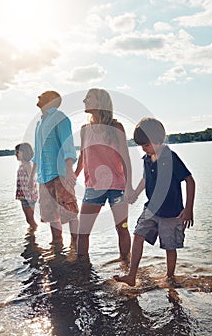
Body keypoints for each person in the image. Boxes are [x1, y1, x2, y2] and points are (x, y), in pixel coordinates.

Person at [114, 117, 195, 286]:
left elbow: (189, 180)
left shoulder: (170, 157)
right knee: (138, 235)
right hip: (151, 209)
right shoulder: (146, 158)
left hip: (172, 212)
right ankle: (131, 276)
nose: (143, 149)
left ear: (157, 140)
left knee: (169, 246)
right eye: (141, 146)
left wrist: (188, 209)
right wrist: (136, 192)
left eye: (146, 145)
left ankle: (170, 277)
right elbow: (145, 178)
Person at [75, 88, 136, 261]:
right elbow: (82, 156)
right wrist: (74, 175)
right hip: (93, 187)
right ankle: (82, 270)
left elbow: (125, 157)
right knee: (83, 232)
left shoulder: (116, 127)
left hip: (117, 186)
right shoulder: (84, 129)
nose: (84, 101)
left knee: (122, 228)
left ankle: (126, 266)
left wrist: (129, 185)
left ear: (100, 102)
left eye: (89, 98)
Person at [29, 90, 79, 247]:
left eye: (42, 95)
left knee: (69, 212)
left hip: (60, 175)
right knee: (51, 214)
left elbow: (68, 146)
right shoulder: (39, 123)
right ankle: (57, 244)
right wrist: (32, 178)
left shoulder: (60, 118)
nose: (38, 96)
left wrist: (69, 171)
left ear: (51, 100)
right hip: (44, 177)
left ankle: (76, 245)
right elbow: (37, 153)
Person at [15, 143, 38, 230]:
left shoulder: (28, 165)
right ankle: (32, 231)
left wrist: (30, 197)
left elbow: (31, 181)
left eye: (18, 152)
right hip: (23, 196)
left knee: (30, 219)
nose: (16, 154)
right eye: (15, 152)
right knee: (29, 219)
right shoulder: (22, 165)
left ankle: (33, 232)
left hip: (28, 196)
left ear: (25, 153)